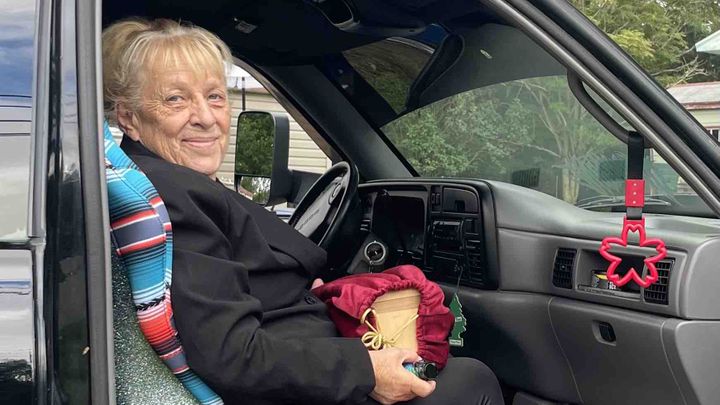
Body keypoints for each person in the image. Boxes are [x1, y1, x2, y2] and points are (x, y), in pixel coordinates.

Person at [102, 18, 504, 405]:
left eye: (215, 96)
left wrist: (298, 287)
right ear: (129, 118)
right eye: (175, 99)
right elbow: (230, 353)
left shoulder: (170, 180)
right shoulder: (174, 194)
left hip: (303, 355)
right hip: (290, 386)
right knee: (472, 379)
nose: (206, 118)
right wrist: (367, 370)